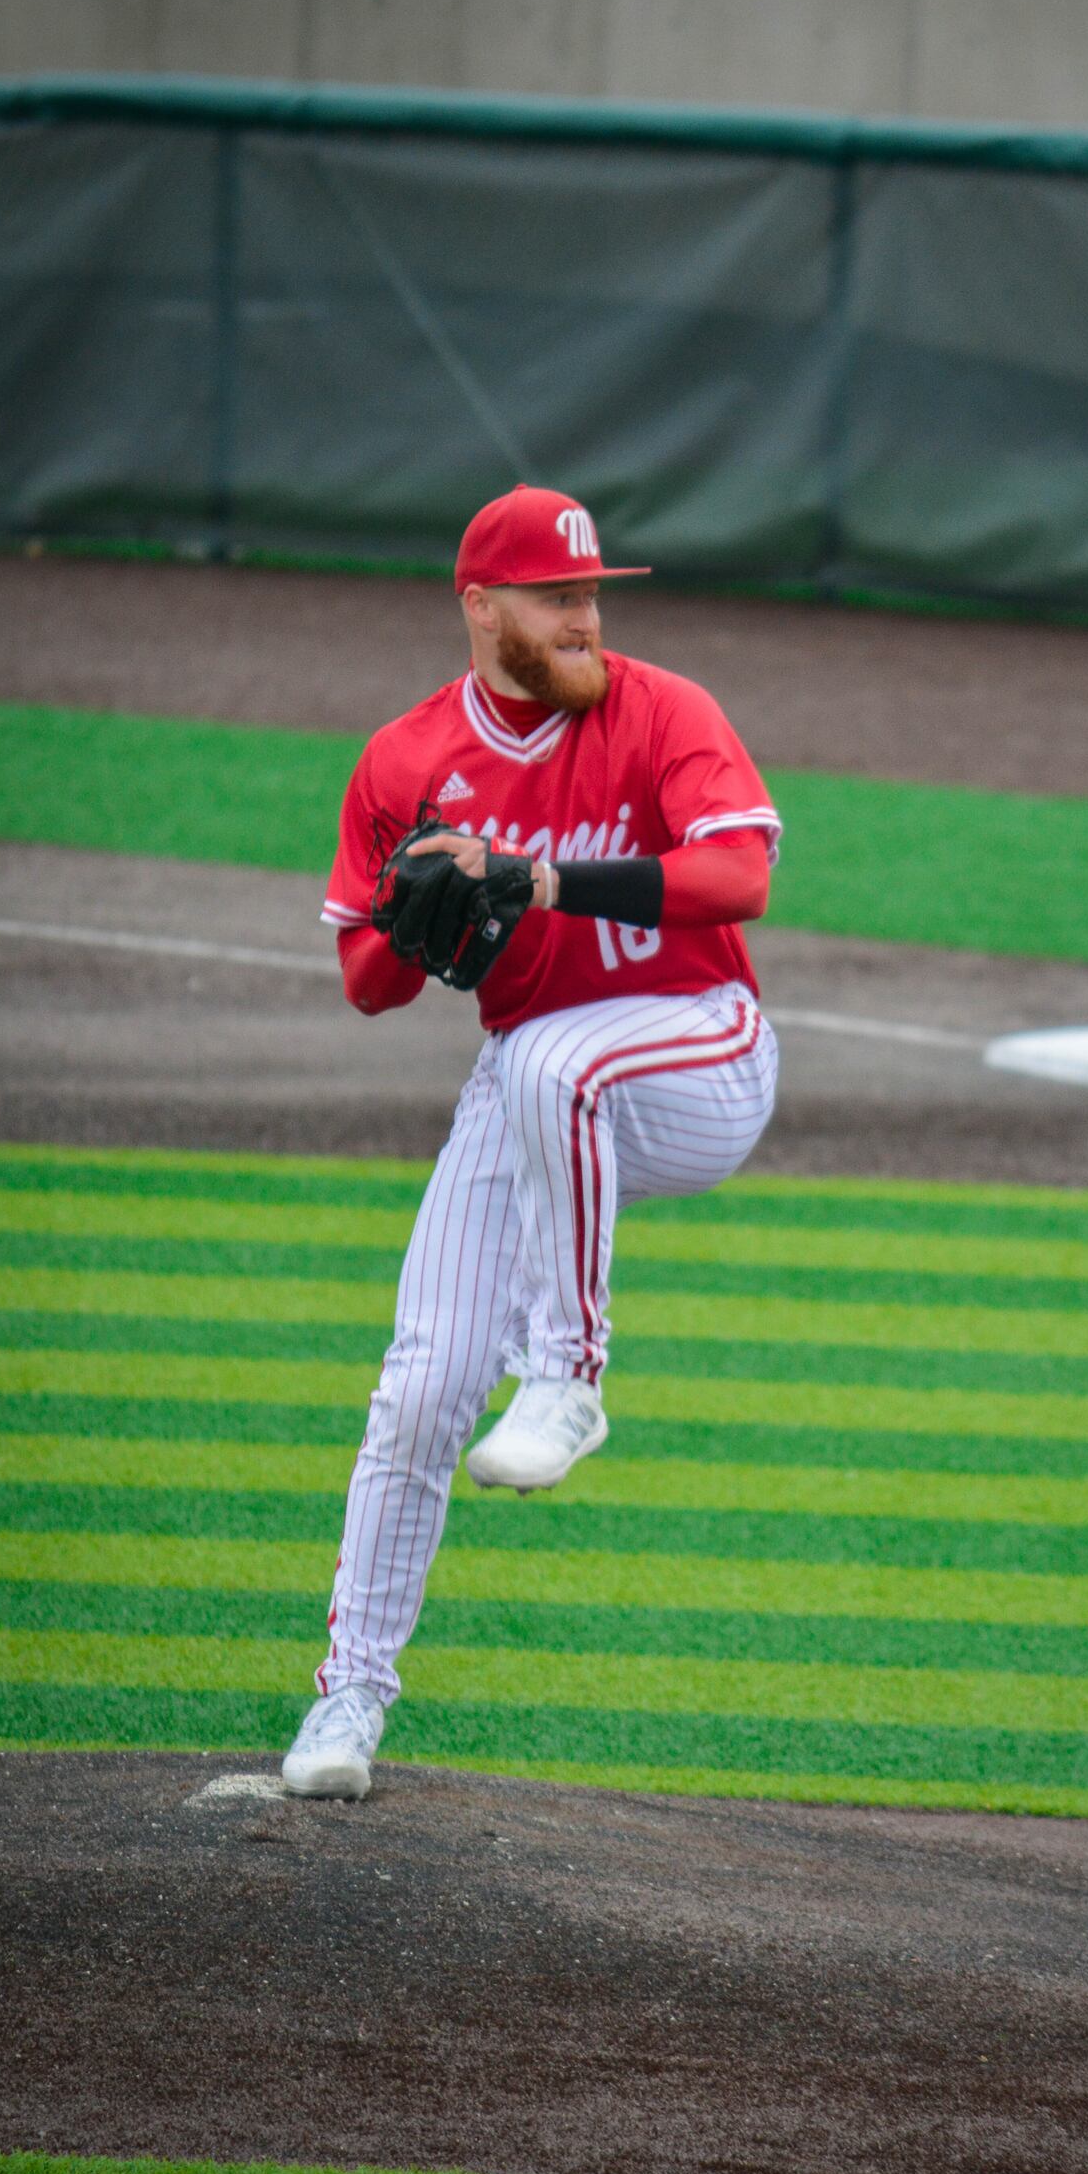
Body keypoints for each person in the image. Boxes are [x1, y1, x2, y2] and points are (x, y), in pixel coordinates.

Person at [282, 483, 781, 1798]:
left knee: (559, 1058)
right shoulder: (405, 764)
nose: (584, 616)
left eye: (593, 593)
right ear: (482, 606)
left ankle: (570, 1375)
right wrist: (420, 916)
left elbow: (743, 880)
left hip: (702, 1050)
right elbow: (367, 982)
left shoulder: (663, 710)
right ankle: (347, 1705)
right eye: (557, 597)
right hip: (532, 1091)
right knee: (426, 1387)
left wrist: (546, 880)